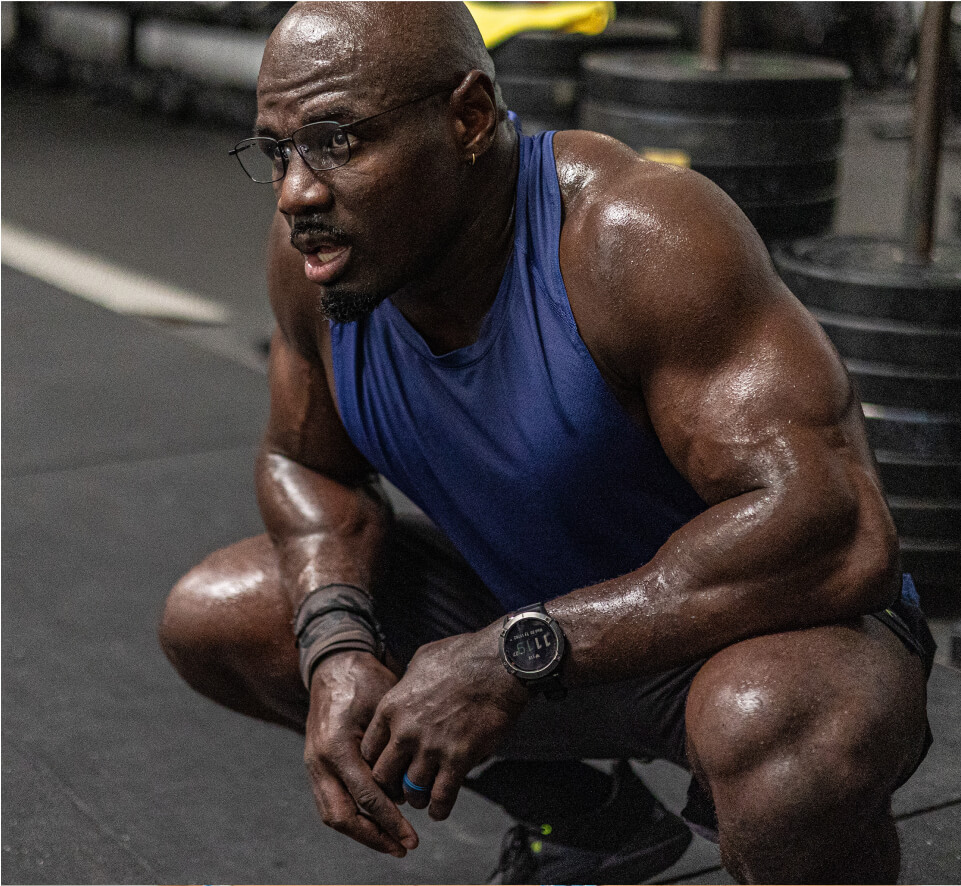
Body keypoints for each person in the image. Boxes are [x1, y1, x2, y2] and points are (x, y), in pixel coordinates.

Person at [159, 2, 936, 882]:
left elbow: (831, 527)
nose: (297, 189)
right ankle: (592, 823)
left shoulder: (634, 237)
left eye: (338, 140)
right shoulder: (323, 256)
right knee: (222, 613)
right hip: (530, 626)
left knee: (772, 730)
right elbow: (303, 462)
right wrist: (336, 644)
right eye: (277, 151)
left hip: (752, 632)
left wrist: (512, 652)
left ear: (468, 119)